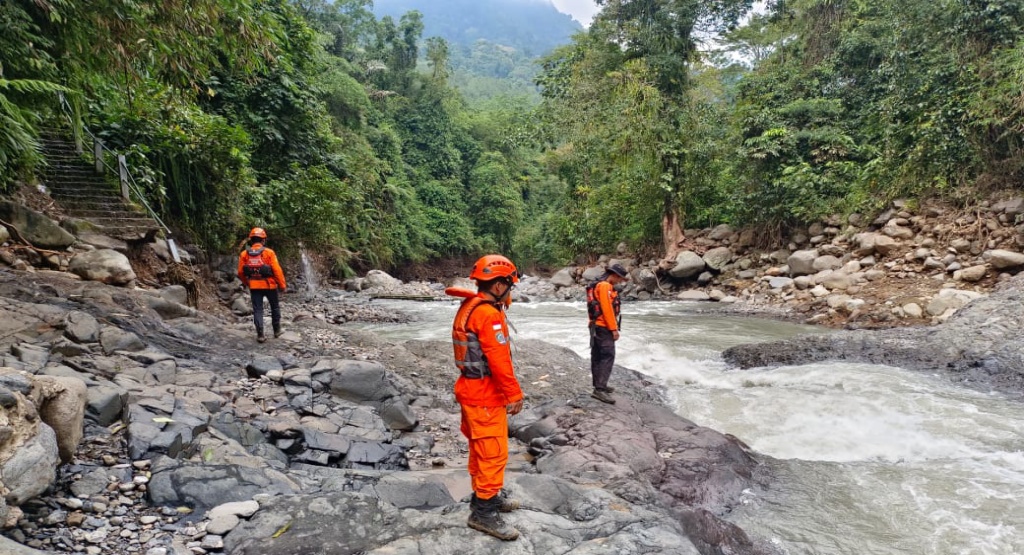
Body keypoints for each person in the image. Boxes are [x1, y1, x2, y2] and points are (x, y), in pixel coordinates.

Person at [449, 254, 524, 541]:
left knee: (480, 451)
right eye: (509, 285)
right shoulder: (488, 315)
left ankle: (486, 497)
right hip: (485, 396)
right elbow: (499, 361)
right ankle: (482, 513)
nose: (510, 291)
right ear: (498, 285)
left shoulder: (469, 306)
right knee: (493, 454)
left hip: (469, 391)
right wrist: (514, 394)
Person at [586, 263, 629, 404]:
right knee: (607, 356)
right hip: (603, 327)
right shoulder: (604, 286)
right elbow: (607, 309)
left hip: (595, 326)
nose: (620, 282)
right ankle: (599, 389)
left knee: (597, 355)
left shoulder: (598, 284)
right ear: (615, 275)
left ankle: (599, 384)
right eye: (620, 279)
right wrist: (614, 329)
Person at [237, 227, 287, 343]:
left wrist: (247, 283)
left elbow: (240, 272)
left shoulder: (244, 254)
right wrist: (282, 285)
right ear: (263, 240)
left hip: (254, 286)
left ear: (251, 240)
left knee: (258, 310)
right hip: (270, 286)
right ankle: (277, 331)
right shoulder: (269, 253)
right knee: (274, 307)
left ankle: (260, 335)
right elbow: (277, 270)